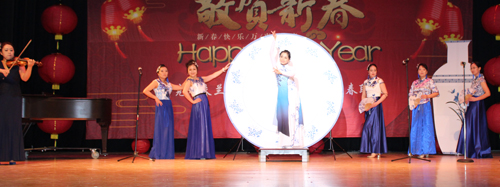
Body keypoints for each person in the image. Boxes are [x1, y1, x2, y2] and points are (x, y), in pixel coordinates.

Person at [182, 60, 230, 159]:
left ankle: (204, 152)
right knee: (199, 126)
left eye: (194, 69)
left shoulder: (201, 79)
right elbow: (184, 91)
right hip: (198, 103)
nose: (192, 71)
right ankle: (198, 152)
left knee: (205, 126)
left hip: (204, 102)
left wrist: (224, 69)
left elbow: (213, 76)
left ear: (197, 70)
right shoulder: (189, 81)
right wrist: (192, 101)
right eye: (190, 70)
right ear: (187, 71)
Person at [0, 42, 35, 165]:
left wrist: (30, 66)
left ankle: (12, 157)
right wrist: (1, 71)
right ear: (1, 53)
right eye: (6, 50)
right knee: (1, 124)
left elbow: (25, 78)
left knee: (13, 125)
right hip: (2, 97)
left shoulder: (18, 64)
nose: (10, 52)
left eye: (11, 50)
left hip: (14, 97)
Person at [270, 31, 304, 148]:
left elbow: (293, 74)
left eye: (285, 57)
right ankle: (282, 142)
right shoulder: (277, 67)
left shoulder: (290, 69)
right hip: (282, 96)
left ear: (289, 59)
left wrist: (281, 73)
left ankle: (292, 141)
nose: (283, 59)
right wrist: (275, 40)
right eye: (281, 56)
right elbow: (271, 54)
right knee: (282, 118)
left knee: (291, 118)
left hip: (291, 96)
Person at [143, 64, 183, 159]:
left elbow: (181, 87)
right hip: (161, 105)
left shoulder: (169, 84)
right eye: (162, 71)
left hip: (168, 105)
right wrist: (155, 98)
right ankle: (159, 152)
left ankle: (167, 153)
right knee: (162, 128)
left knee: (168, 129)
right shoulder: (156, 82)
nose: (164, 73)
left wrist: (189, 79)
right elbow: (146, 91)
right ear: (158, 73)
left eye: (166, 71)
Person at [456, 62, 492, 158]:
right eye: (471, 68)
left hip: (477, 104)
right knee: (469, 125)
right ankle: (469, 150)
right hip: (472, 104)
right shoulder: (475, 79)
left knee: (475, 126)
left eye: (474, 68)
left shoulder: (481, 79)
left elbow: (488, 93)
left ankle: (477, 150)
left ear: (479, 68)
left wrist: (476, 99)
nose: (472, 70)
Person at [408, 63, 439, 158]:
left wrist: (427, 96)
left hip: (425, 105)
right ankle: (415, 150)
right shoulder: (414, 83)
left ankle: (425, 151)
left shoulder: (430, 81)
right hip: (416, 106)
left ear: (426, 71)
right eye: (419, 69)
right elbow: (410, 94)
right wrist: (413, 102)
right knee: (415, 127)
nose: (421, 71)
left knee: (426, 127)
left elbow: (436, 93)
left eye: (423, 69)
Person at [360, 64, 388, 158]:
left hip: (376, 105)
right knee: (368, 128)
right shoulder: (365, 82)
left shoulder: (379, 81)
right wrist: (364, 104)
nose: (373, 72)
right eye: (371, 70)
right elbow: (363, 95)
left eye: (374, 70)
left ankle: (375, 151)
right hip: (368, 106)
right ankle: (376, 150)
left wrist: (376, 103)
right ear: (368, 71)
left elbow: (385, 93)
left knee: (375, 127)